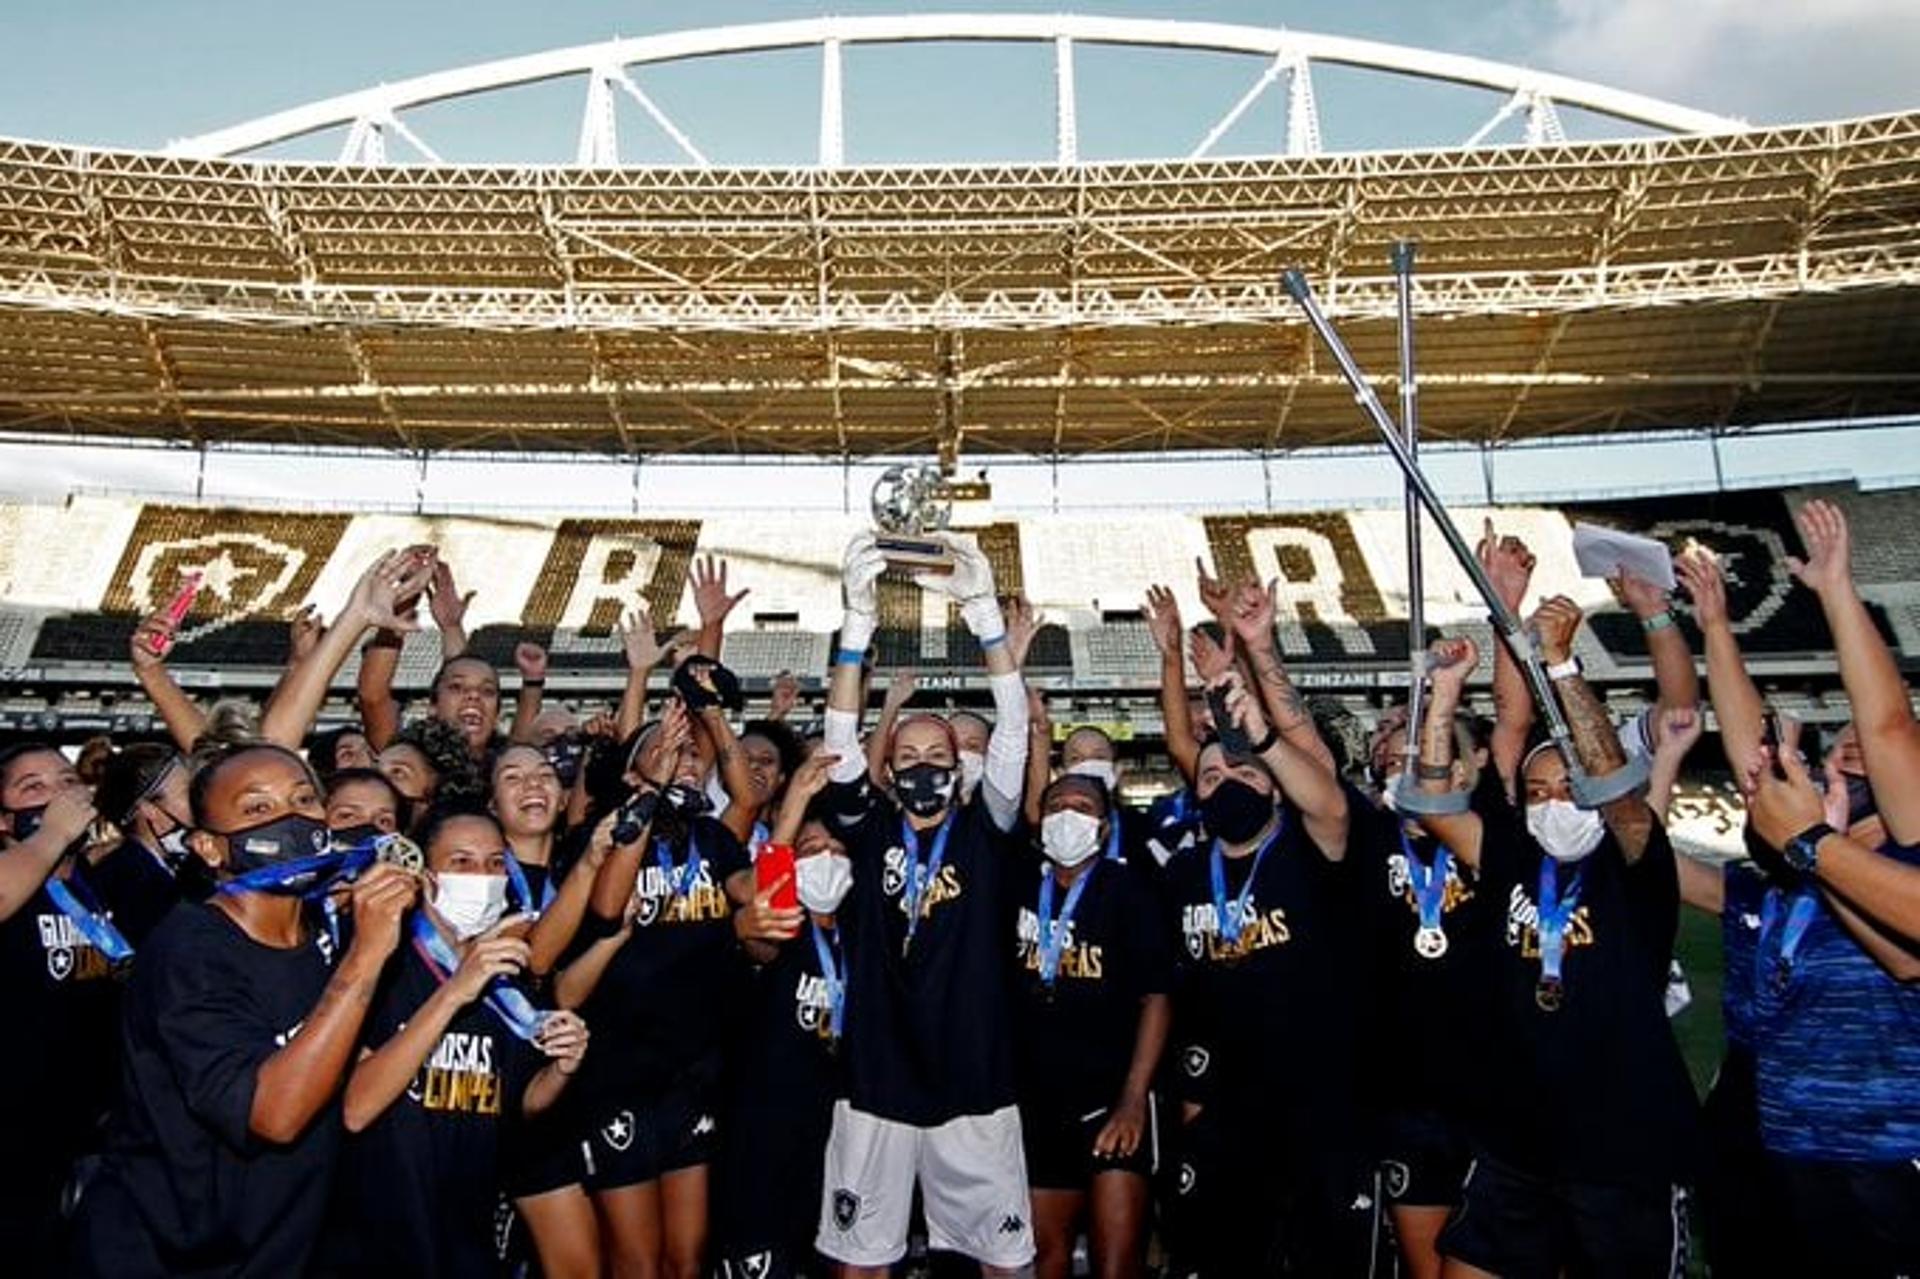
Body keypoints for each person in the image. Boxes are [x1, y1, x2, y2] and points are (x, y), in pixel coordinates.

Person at [1412, 608, 1698, 1279]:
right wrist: (1445, 691)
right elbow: (1430, 802)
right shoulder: (1513, 855)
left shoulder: (1633, 860)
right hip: (1518, 1142)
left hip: (1623, 1150)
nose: (1551, 803)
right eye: (1536, 792)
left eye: (1569, 789)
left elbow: (1619, 786)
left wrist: (1563, 667)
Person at [72, 743, 421, 1278]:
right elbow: (273, 1116)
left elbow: (348, 1093)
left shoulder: (323, 937)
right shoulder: (190, 952)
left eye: (305, 799)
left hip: (274, 1250)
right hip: (168, 1256)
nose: (292, 819)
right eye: (258, 809)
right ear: (210, 848)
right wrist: (366, 958)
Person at [813, 529, 1038, 1278]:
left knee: (1004, 1261)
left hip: (975, 1078)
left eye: (936, 756)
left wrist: (986, 619)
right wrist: (856, 622)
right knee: (862, 1261)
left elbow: (1013, 727)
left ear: (962, 770)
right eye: (905, 757)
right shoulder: (872, 823)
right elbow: (840, 738)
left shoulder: (988, 826)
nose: (920, 767)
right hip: (875, 1078)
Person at [1159, 658, 1369, 1278]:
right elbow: (1183, 996)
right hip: (1224, 1111)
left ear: (1276, 783)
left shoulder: (1312, 850)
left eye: (1244, 771)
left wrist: (1266, 735)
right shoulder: (1181, 876)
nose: (1226, 784)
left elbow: (1329, 802)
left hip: (1316, 1106)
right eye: (1211, 777)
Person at [332, 808, 590, 1277]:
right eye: (462, 863)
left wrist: (561, 1069)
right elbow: (355, 1107)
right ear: (425, 877)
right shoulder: (380, 964)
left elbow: (521, 1103)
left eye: (495, 864)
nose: (483, 878)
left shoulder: (502, 980)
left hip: (465, 1236)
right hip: (378, 1239)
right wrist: (454, 992)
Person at [569, 697, 750, 1279]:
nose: (686, 761)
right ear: (631, 772)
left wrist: (773, 895)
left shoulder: (713, 839)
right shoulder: (598, 837)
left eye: (693, 754)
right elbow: (605, 908)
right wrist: (647, 793)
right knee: (638, 1263)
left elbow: (747, 883)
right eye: (668, 750)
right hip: (615, 1076)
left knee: (688, 1257)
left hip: (692, 1073)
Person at [1014, 774, 1172, 1279]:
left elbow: (1157, 997)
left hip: (1110, 1100)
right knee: (1045, 1257)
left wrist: (1132, 1099)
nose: (1068, 814)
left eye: (1082, 806)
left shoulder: (1129, 889)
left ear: (1104, 828)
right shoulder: (1016, 886)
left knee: (1116, 1264)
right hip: (1038, 1104)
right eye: (1057, 804)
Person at [712, 751, 851, 1279]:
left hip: (830, 1136)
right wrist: (792, 807)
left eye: (838, 849)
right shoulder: (780, 928)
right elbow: (766, 900)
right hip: (761, 1134)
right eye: (813, 850)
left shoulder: (858, 937)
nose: (828, 857)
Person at [0, 744, 112, 1276]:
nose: (58, 795)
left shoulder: (103, 885)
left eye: (67, 781)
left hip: (84, 1142)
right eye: (33, 788)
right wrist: (51, 835)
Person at [91, 742, 205, 944]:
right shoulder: (128, 882)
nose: (200, 800)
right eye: (188, 792)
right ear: (148, 809)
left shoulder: (184, 869)